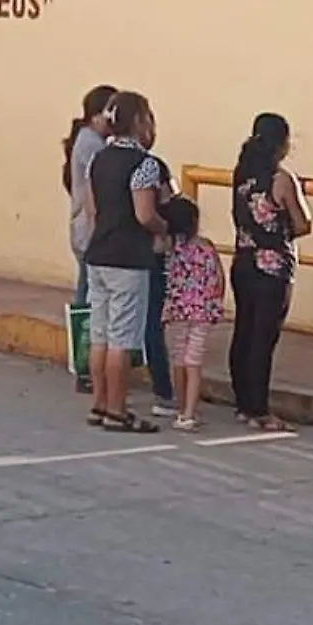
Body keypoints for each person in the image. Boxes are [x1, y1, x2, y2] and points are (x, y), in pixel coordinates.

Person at [82, 91, 167, 434]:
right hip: (128, 259)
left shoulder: (97, 159)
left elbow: (92, 210)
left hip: (98, 253)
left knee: (100, 334)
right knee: (122, 337)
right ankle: (118, 409)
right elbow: (145, 214)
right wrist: (165, 227)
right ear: (139, 121)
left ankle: (100, 404)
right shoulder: (145, 164)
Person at [228, 113, 312, 433]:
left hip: (244, 260)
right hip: (273, 266)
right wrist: (282, 230)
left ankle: (243, 404)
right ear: (282, 143)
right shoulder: (281, 179)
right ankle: (260, 410)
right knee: (264, 338)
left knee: (244, 332)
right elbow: (303, 223)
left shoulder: (242, 175)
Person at [63, 84, 115, 394]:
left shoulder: (90, 141)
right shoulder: (92, 145)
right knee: (90, 299)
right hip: (91, 231)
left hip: (84, 229)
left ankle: (87, 365)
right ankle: (86, 365)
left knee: (88, 293)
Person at [161, 196, 223, 433]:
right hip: (201, 312)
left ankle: (180, 406)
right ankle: (189, 413)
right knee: (194, 362)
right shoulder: (207, 247)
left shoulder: (171, 247)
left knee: (178, 358)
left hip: (177, 310)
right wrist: (215, 302)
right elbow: (218, 276)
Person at [142, 128, 179, 418]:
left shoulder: (101, 161)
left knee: (111, 325)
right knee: (152, 323)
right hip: (149, 251)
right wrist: (165, 230)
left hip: (109, 252)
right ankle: (163, 391)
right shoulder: (151, 166)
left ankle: (104, 394)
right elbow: (170, 205)